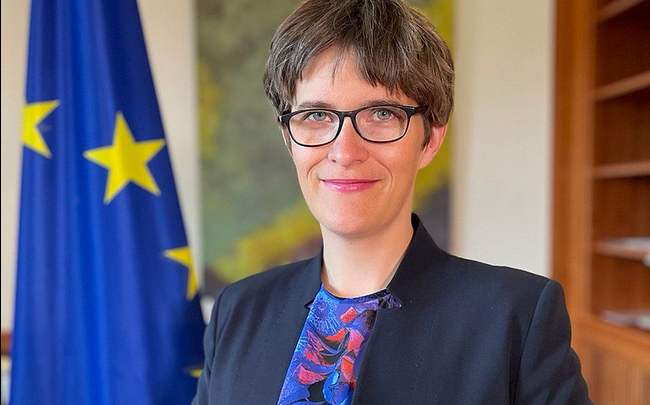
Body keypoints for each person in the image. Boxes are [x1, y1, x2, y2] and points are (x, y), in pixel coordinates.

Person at [193, 0, 593, 403]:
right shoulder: (236, 310)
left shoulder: (517, 318)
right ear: (288, 138)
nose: (344, 152)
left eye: (382, 113)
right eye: (316, 116)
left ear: (430, 138)